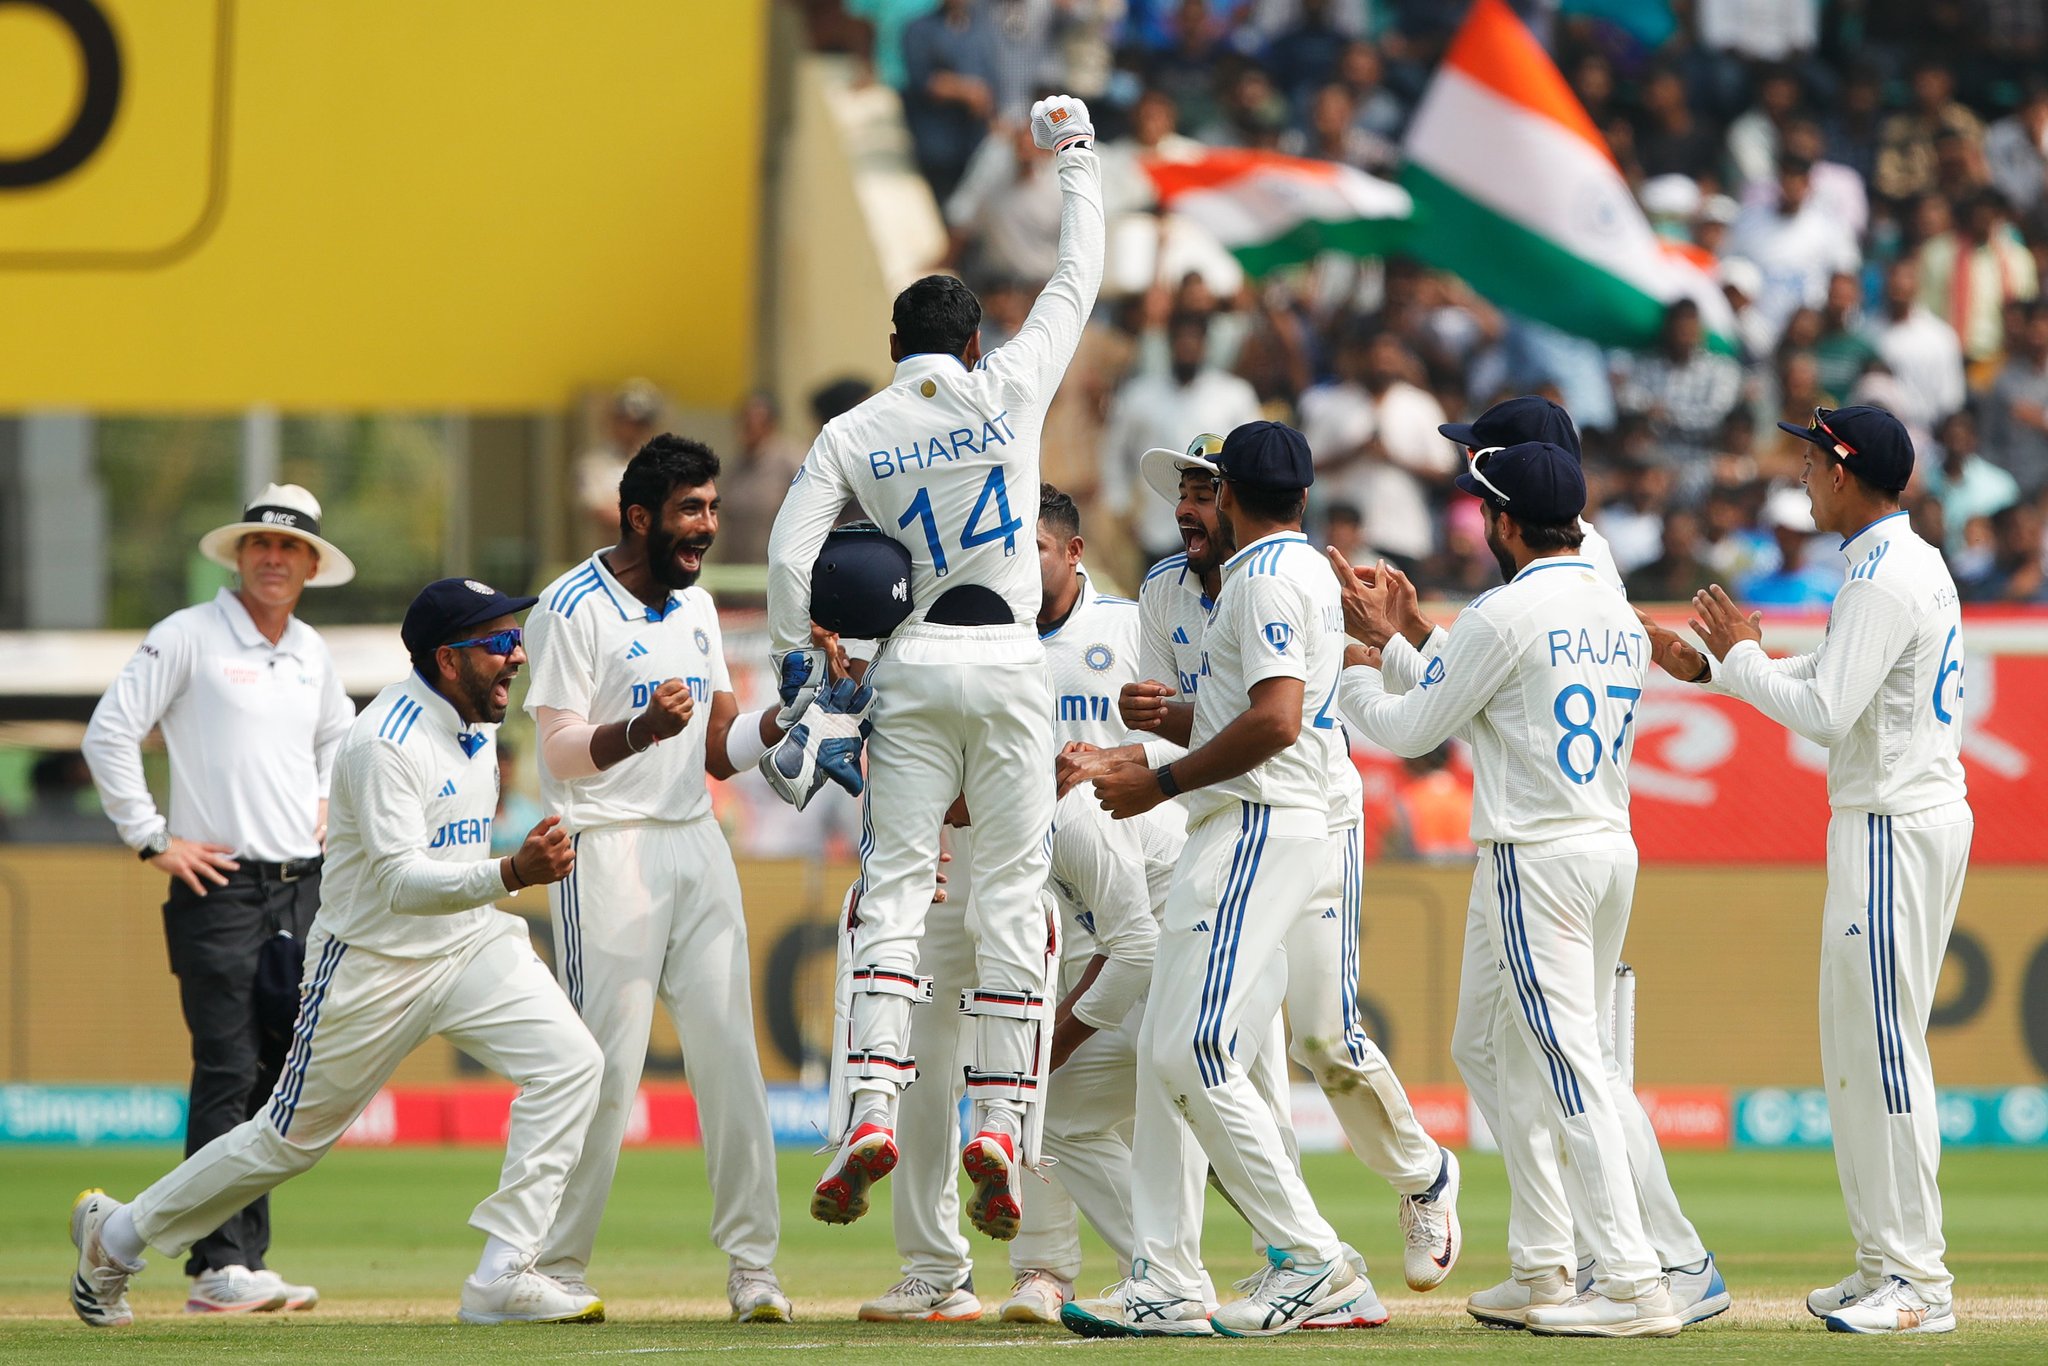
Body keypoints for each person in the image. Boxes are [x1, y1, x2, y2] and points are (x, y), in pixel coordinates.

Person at [69, 579, 605, 1328]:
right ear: (448, 660)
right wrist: (514, 871)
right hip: (372, 963)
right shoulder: (384, 741)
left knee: (573, 1064)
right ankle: (115, 1233)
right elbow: (400, 883)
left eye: (516, 638)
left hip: (469, 944)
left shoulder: (476, 716)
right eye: (499, 643)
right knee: (283, 1144)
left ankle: (501, 1273)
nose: (517, 654)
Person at [765, 94, 1103, 1238]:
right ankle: (998, 1130)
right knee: (1013, 898)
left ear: (892, 351)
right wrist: (1073, 154)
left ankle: (868, 1105)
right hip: (1011, 664)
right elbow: (1076, 276)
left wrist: (790, 662)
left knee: (898, 892)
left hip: (910, 670)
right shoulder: (1008, 387)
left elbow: (787, 550)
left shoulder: (854, 430)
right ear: (968, 345)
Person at [1340, 432, 1724, 1331]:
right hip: (1604, 846)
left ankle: (1632, 1285)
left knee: (1567, 1061)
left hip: (1537, 855)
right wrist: (1401, 648)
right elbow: (1494, 711)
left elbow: (1413, 728)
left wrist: (1357, 671)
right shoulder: (1610, 605)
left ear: (1503, 522)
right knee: (1484, 1042)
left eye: (1486, 514)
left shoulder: (1504, 613)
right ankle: (1545, 1262)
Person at [1651, 405, 1970, 1336]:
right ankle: (1882, 1263)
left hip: (1892, 824)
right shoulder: (1889, 562)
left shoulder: (1885, 574)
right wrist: (1726, 668)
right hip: (1890, 820)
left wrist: (1739, 657)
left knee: (1883, 1051)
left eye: (1809, 461)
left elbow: (1828, 709)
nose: (1798, 476)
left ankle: (1918, 1280)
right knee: (1855, 1053)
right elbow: (1832, 673)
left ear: (1844, 472)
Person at [1074, 422, 1366, 1337]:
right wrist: (1145, 748)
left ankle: (1313, 1258)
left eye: (1210, 488)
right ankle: (1166, 1275)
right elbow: (1253, 708)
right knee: (1171, 1044)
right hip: (1234, 821)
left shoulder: (1268, 579)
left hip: (1256, 824)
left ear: (1232, 494)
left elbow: (1276, 722)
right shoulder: (1295, 569)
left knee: (1190, 1049)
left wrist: (1157, 778)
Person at [522, 435, 792, 1321]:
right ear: (640, 517)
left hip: (694, 840)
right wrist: (635, 731)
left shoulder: (699, 609)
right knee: (602, 1066)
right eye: (691, 511)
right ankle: (554, 1267)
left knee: (730, 1061)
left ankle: (754, 1269)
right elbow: (558, 751)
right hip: (604, 846)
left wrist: (788, 716)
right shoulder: (570, 606)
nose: (707, 528)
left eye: (713, 509)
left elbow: (720, 748)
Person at [80, 484, 358, 1315]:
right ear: (240, 555)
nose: (273, 559)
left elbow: (341, 738)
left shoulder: (310, 649)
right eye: (259, 546)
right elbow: (110, 731)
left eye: (289, 549)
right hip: (219, 887)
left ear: (311, 565)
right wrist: (152, 836)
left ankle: (241, 1258)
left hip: (299, 887)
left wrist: (324, 799)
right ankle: (215, 1266)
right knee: (229, 1065)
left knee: (278, 1076)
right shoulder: (189, 635)